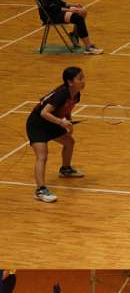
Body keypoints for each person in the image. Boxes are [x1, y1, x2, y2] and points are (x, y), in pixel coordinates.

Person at [26, 66, 86, 203]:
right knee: (42, 156)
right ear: (70, 82)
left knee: (69, 142)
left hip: (51, 123)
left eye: (83, 78)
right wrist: (61, 122)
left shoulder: (76, 94)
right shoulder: (61, 94)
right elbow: (44, 113)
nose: (83, 81)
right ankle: (40, 190)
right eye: (80, 78)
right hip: (37, 125)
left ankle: (66, 169)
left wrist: (68, 122)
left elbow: (67, 109)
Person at [35, 0, 103, 54]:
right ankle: (88, 47)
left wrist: (72, 5)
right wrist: (70, 10)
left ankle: (74, 35)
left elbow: (59, 2)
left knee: (83, 12)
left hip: (55, 11)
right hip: (50, 16)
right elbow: (52, 7)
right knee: (78, 17)